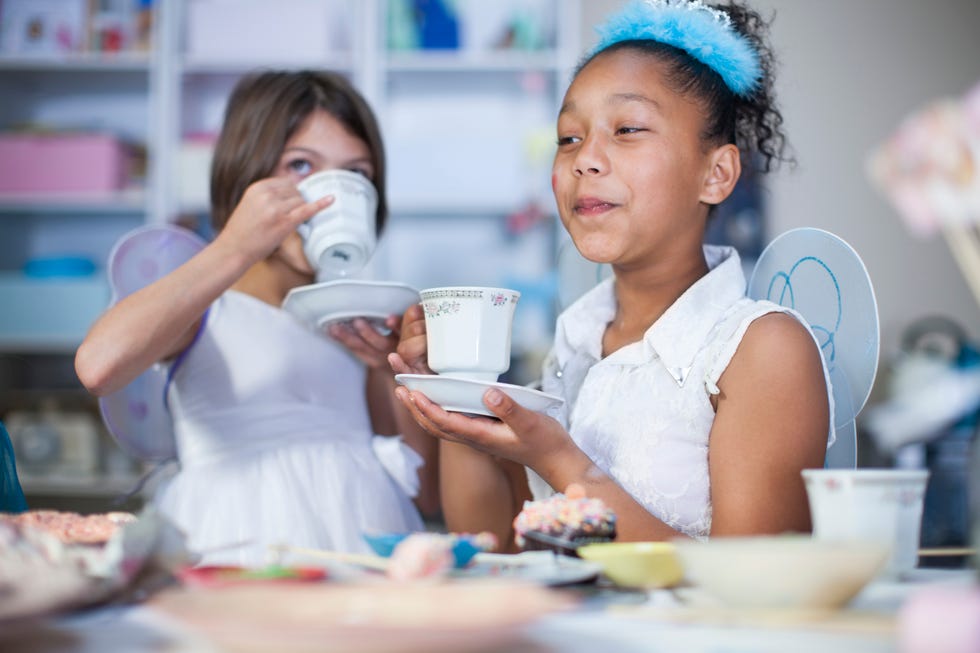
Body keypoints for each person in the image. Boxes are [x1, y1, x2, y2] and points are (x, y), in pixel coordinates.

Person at [390, 0, 832, 550]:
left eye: (626, 129)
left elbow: (752, 588)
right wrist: (453, 398)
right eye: (569, 137)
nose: (585, 160)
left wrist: (556, 457)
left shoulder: (762, 349)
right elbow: (494, 542)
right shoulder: (574, 347)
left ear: (716, 174)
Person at [75, 70, 438, 566]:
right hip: (236, 540)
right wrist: (235, 246)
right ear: (245, 176)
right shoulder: (207, 303)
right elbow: (99, 366)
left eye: (356, 174)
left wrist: (388, 367)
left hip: (364, 537)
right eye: (300, 165)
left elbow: (423, 490)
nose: (328, 196)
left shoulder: (356, 319)